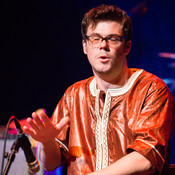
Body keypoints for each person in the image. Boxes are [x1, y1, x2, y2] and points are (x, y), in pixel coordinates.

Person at [23, 4, 175, 175]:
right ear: (85, 46)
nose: (103, 45)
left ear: (127, 46)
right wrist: (47, 141)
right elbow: (50, 164)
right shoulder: (74, 94)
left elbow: (146, 158)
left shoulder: (152, 89)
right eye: (95, 38)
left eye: (113, 38)